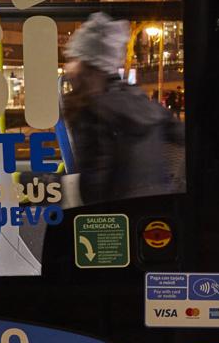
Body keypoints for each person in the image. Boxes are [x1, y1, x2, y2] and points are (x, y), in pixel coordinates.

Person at [63, 13, 182, 204]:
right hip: (154, 207)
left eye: (73, 59)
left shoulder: (91, 111)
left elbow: (94, 188)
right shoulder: (140, 99)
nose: (68, 67)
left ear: (88, 67)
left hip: (114, 221)